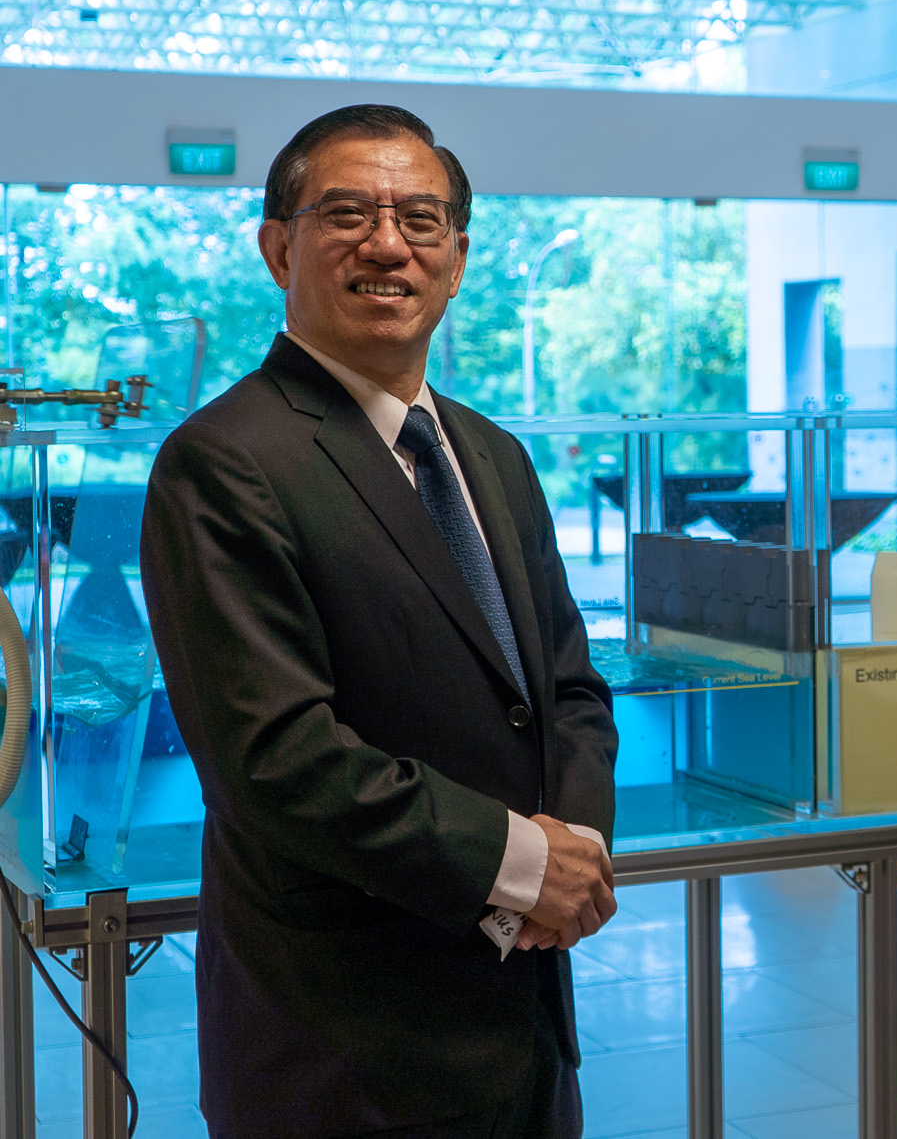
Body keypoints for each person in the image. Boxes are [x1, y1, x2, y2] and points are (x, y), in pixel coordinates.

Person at [140, 105, 620, 1139]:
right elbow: (277, 758)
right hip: (342, 1049)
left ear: (456, 260)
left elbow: (565, 684)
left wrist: (573, 843)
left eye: (422, 218)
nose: (388, 242)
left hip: (520, 1025)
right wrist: (524, 863)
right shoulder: (224, 461)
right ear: (278, 247)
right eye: (346, 212)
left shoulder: (493, 454)